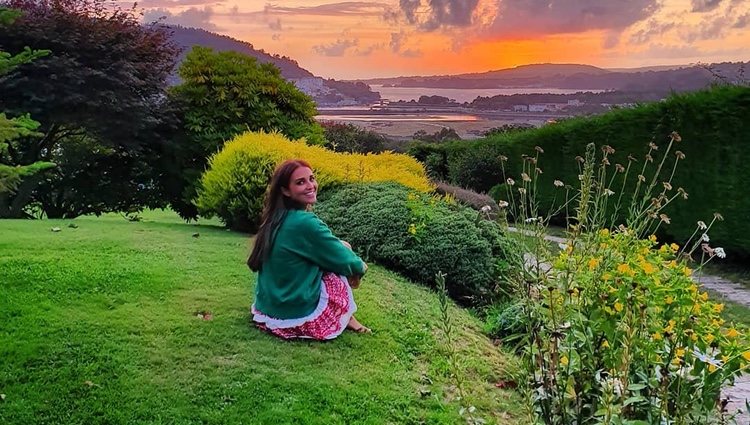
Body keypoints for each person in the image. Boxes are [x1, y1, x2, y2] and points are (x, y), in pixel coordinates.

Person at [247, 159, 370, 340]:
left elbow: (332, 248)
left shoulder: (275, 218)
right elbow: (345, 260)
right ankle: (348, 318)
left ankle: (349, 316)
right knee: (340, 260)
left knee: (340, 248)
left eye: (311, 179)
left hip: (268, 310)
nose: (310, 185)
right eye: (300, 182)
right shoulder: (305, 223)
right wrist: (361, 268)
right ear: (285, 190)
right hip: (294, 313)